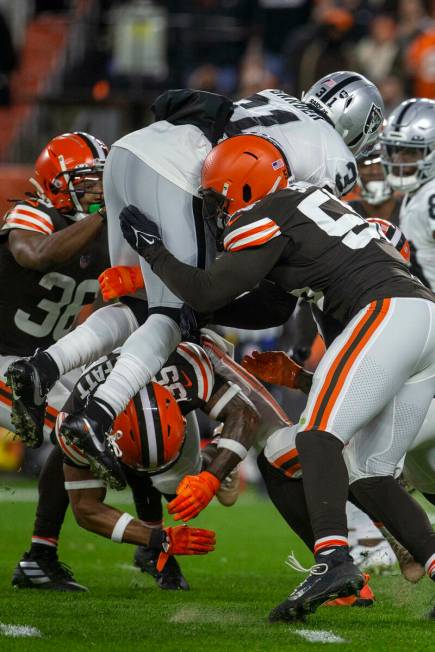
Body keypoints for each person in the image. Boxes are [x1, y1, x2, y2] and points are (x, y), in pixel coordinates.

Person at [8, 73, 385, 488]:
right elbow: (300, 225)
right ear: (359, 123)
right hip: (181, 169)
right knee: (172, 314)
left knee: (136, 303)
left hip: (129, 151)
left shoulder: (275, 98)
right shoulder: (337, 158)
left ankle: (43, 366)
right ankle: (97, 416)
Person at [118, 132, 435, 621]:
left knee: (315, 435)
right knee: (370, 473)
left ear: (244, 186)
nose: (219, 209)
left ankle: (333, 559)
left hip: (388, 311)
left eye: (221, 197)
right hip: (419, 320)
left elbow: (209, 289)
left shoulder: (269, 211)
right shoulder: (310, 209)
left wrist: (154, 252)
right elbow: (262, 303)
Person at [13, 332, 259, 591]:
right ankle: (45, 551)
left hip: (168, 346)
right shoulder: (79, 416)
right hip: (103, 371)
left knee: (179, 494)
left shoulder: (188, 370)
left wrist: (212, 478)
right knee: (70, 451)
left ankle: (215, 453)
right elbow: (86, 508)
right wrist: (158, 538)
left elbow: (246, 414)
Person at [3, 132, 109, 445]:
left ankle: (72, 496)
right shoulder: (33, 213)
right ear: (57, 184)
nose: (99, 190)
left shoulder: (105, 231)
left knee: (102, 417)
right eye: (88, 182)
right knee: (77, 432)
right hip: (4, 356)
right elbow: (36, 255)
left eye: (102, 180)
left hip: (47, 358)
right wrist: (103, 216)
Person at [381, 97, 435, 290]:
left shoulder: (431, 195)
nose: (397, 160)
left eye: (410, 152)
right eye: (395, 150)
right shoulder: (419, 190)